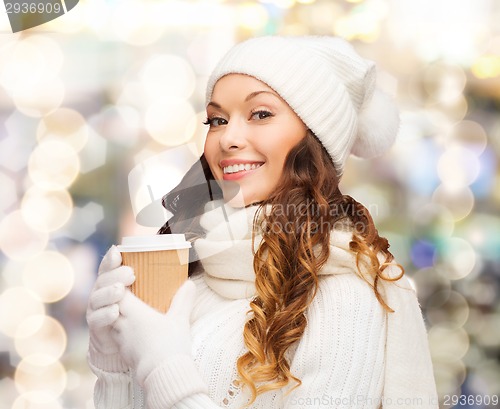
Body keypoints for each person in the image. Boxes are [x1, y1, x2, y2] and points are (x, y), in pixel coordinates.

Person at [86, 36, 438, 409]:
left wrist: (162, 366)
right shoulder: (198, 271)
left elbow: (164, 375)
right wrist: (113, 361)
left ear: (314, 139)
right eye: (217, 120)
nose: (229, 139)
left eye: (261, 114)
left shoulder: (343, 296)